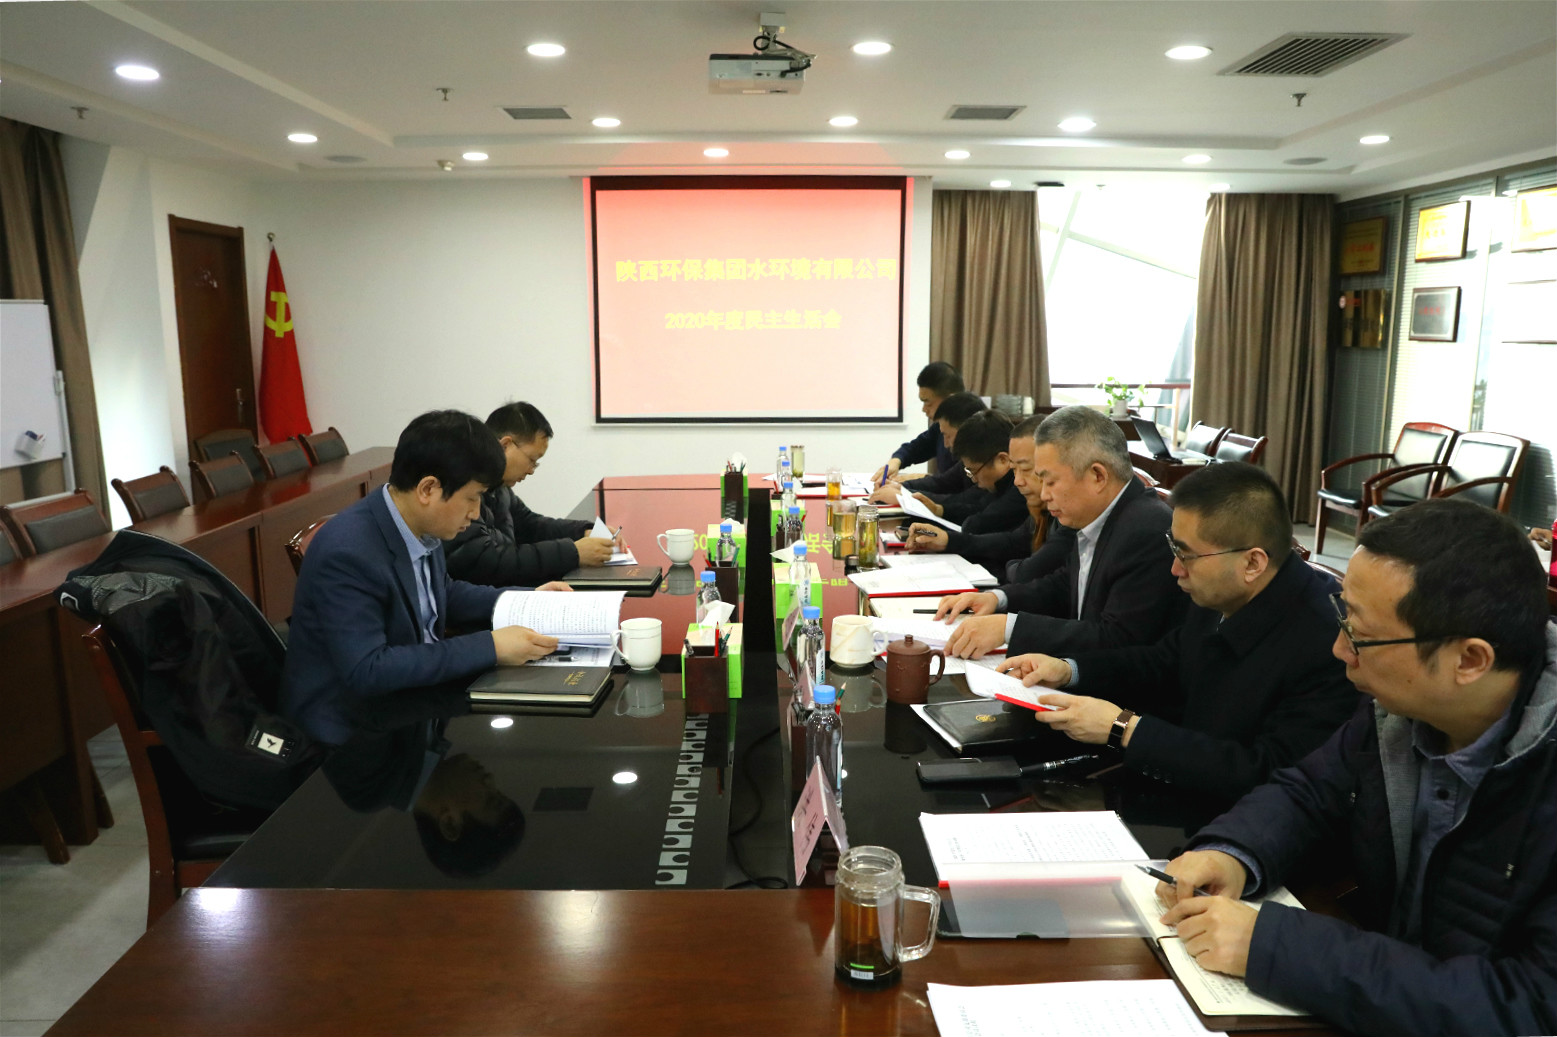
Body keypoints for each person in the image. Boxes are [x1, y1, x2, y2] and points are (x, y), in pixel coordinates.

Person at [1156, 498, 1557, 1036]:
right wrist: (1232, 853)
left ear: (1469, 660)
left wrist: (1274, 947)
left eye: (1361, 635)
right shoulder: (1397, 709)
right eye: (1343, 617)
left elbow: (1530, 1007)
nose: (1340, 649)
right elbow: (1310, 791)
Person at [997, 462, 1359, 799]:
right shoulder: (1221, 588)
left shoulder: (1329, 643)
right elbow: (1163, 660)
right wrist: (1069, 670)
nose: (1175, 569)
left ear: (1253, 562)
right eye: (1173, 547)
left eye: (1186, 555)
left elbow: (1266, 770)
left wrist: (1123, 727)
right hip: (1178, 778)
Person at [283, 410, 563, 745]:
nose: (476, 513)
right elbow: (368, 669)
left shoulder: (416, 522)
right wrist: (491, 646)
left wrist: (526, 601)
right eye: (472, 497)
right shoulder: (348, 551)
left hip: (415, 699)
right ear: (428, 488)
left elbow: (443, 593)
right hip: (352, 736)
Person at [934, 405, 1184, 659]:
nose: (1044, 494)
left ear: (1097, 476)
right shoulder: (1100, 515)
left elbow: (1116, 638)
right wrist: (998, 599)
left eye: (1051, 482)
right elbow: (1065, 585)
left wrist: (1011, 628)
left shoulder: (1146, 530)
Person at [444, 401, 618, 587]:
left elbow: (530, 525)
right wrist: (573, 553)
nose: (531, 470)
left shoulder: (499, 488)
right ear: (505, 445)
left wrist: (582, 531)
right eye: (532, 460)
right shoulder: (464, 489)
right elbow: (486, 562)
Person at [903, 409, 1028, 555]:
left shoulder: (1020, 488)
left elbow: (978, 524)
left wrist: (948, 540)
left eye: (974, 471)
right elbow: (976, 507)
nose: (973, 479)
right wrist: (939, 510)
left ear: (1003, 460)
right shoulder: (996, 481)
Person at [873, 361, 965, 487]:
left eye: (928, 402)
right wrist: (896, 462)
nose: (924, 409)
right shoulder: (941, 425)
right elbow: (917, 447)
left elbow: (958, 485)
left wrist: (923, 479)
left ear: (951, 400)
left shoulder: (974, 430)